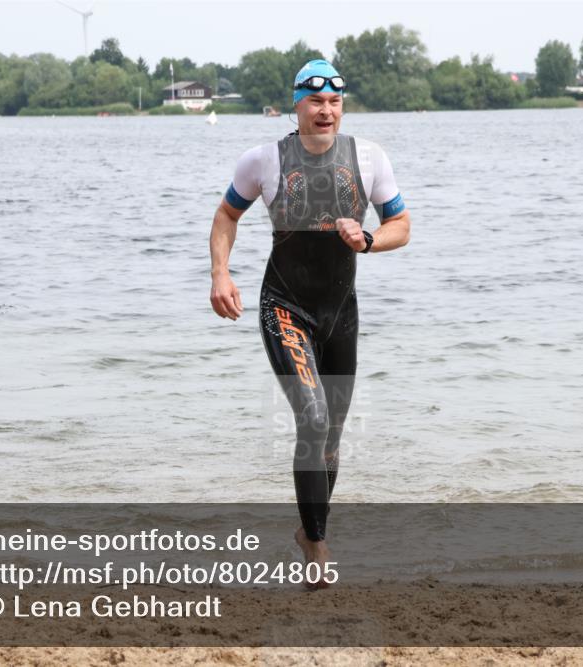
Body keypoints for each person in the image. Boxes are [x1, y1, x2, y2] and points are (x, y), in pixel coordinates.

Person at [208, 59, 411, 587]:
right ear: (296, 104)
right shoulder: (264, 161)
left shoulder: (369, 159)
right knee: (314, 417)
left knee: (333, 437)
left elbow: (400, 225)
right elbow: (228, 215)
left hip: (341, 312)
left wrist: (367, 240)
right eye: (315, 101)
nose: (326, 111)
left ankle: (307, 530)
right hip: (285, 306)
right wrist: (221, 274)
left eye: (335, 102)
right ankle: (319, 550)